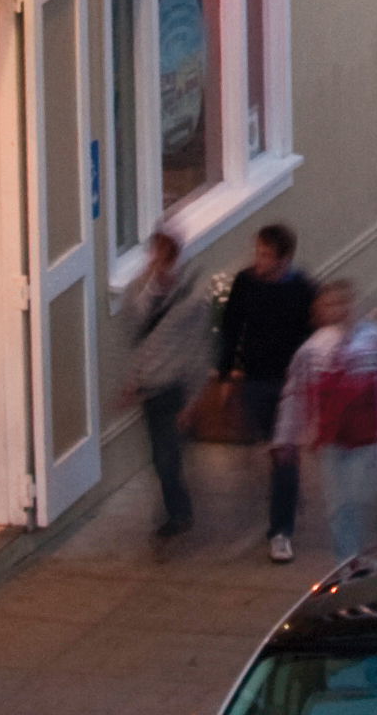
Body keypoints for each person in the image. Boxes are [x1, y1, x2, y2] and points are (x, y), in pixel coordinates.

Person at [277, 282, 377, 561]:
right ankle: (347, 566)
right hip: (332, 442)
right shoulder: (313, 350)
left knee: (366, 501)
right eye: (328, 306)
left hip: (369, 440)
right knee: (339, 509)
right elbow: (295, 393)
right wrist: (286, 437)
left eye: (341, 303)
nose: (336, 311)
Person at [218, 222, 321, 560]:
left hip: (289, 382)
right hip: (254, 379)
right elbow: (232, 327)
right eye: (257, 253)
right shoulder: (245, 283)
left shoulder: (303, 290)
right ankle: (287, 490)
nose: (258, 260)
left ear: (283, 258)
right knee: (269, 442)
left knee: (283, 451)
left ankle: (281, 531)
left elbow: (314, 337)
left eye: (265, 255)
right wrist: (225, 375)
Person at [119, 226, 216, 541]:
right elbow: (136, 340)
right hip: (150, 387)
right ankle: (177, 508)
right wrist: (133, 381)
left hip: (174, 387)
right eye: (154, 256)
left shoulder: (190, 298)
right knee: (161, 457)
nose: (157, 264)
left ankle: (177, 513)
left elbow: (197, 350)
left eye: (164, 257)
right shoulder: (137, 293)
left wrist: (192, 400)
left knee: (167, 455)